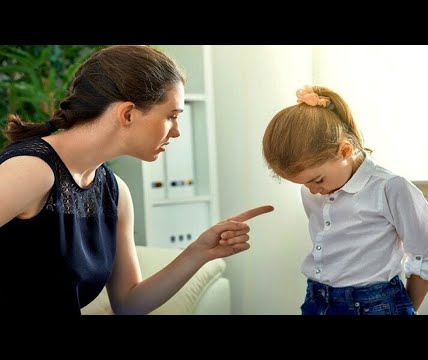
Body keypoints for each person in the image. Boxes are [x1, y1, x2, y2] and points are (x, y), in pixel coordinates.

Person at [0, 45, 274, 315]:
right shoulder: (32, 170)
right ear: (128, 113)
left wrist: (198, 252)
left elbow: (129, 304)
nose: (176, 131)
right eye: (171, 116)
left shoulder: (115, 191)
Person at [262, 85, 428, 315]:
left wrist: (404, 309)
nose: (311, 190)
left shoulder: (390, 188)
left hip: (375, 305)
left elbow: (426, 256)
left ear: (344, 151)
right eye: (303, 183)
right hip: (317, 300)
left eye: (317, 180)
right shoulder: (312, 193)